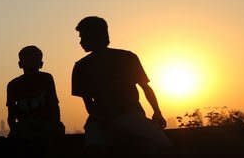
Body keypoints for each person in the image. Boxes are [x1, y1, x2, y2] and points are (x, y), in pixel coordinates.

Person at [71, 17, 170, 150]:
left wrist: (157, 112)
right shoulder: (126, 57)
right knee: (162, 145)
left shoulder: (82, 66)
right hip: (118, 117)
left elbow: (88, 102)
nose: (81, 42)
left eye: (83, 37)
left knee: (95, 146)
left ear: (95, 36)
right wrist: (157, 112)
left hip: (123, 116)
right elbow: (145, 88)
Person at [6, 45, 63, 158]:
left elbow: (54, 107)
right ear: (20, 63)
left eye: (34, 59)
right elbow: (11, 116)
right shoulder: (13, 85)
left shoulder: (46, 79)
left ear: (41, 62)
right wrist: (15, 129)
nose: (31, 63)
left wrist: (52, 124)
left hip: (44, 126)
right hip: (25, 127)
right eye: (28, 59)